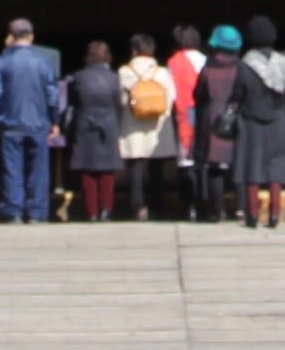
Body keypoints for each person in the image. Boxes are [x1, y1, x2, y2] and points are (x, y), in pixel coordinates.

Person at [0, 18, 64, 225]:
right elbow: (52, 94)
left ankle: (14, 212)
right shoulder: (43, 63)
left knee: (12, 170)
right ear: (31, 36)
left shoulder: (1, 63)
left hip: (10, 123)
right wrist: (54, 120)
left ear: (10, 37)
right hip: (38, 123)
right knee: (39, 169)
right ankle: (37, 212)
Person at [234, 15, 285, 230]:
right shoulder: (284, 63)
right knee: (276, 167)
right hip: (279, 120)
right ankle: (275, 214)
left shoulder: (244, 64)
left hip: (251, 121)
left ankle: (251, 214)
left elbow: (238, 94)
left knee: (252, 167)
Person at [64, 39, 128, 221]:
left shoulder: (78, 77)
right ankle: (106, 209)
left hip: (85, 124)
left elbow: (72, 104)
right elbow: (120, 105)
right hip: (108, 124)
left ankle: (91, 212)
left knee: (87, 170)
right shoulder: (115, 78)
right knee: (107, 171)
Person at [115, 33, 174, 218]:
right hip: (157, 125)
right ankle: (158, 206)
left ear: (134, 51)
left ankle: (137, 206)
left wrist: (134, 107)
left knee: (135, 167)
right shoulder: (162, 72)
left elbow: (121, 100)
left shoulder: (124, 72)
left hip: (133, 124)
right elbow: (171, 98)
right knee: (157, 168)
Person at [190, 25, 243, 222]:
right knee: (238, 167)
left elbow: (197, 95)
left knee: (215, 168)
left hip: (212, 121)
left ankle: (218, 210)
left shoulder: (208, 69)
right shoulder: (241, 69)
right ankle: (240, 208)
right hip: (236, 120)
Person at [165, 24, 207, 214]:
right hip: (203, 112)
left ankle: (189, 205)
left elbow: (170, 94)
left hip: (182, 114)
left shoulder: (173, 62)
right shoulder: (205, 60)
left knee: (185, 160)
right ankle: (204, 201)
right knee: (203, 158)